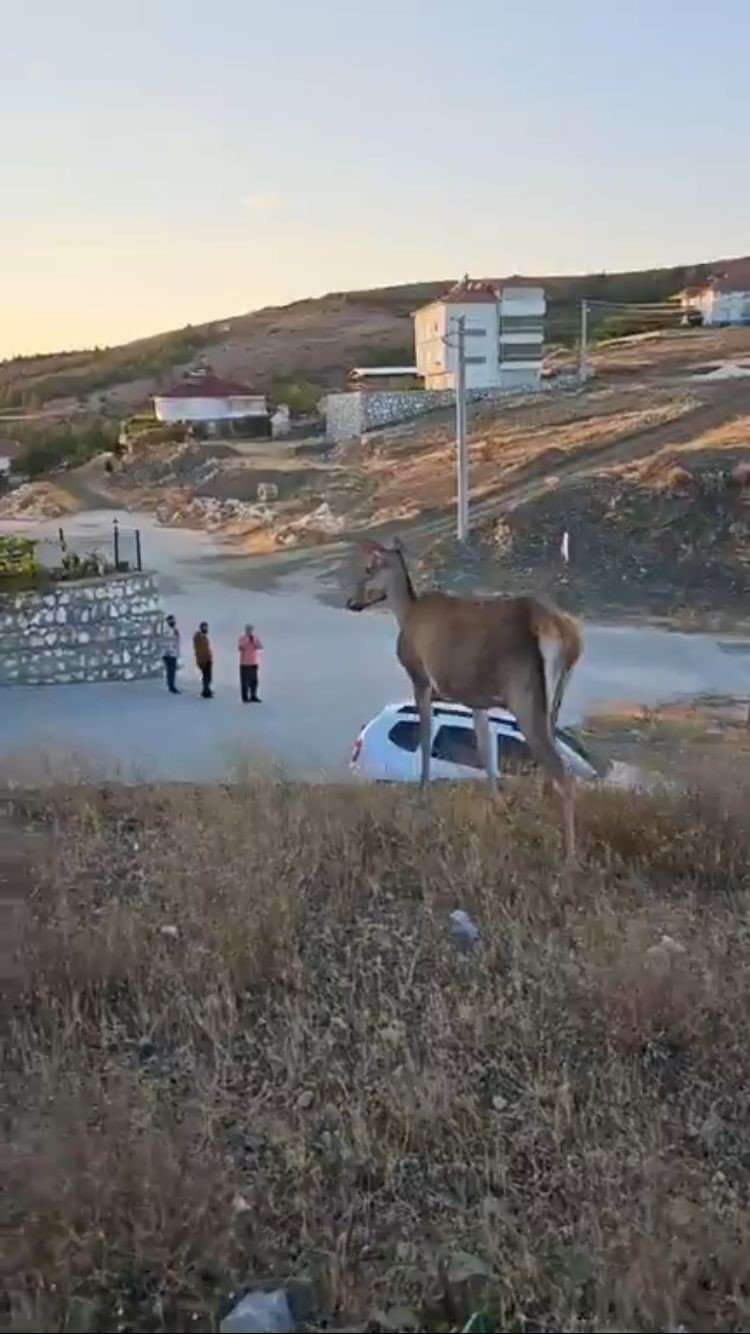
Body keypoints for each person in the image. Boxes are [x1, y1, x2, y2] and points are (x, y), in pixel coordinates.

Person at [238, 623, 263, 702]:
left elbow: (260, 646)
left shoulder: (255, 638)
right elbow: (240, 647)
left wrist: (254, 641)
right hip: (244, 663)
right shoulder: (242, 638)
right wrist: (248, 640)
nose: (249, 631)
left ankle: (253, 695)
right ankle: (245, 697)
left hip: (253, 663)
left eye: (251, 630)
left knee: (254, 681)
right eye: (248, 629)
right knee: (245, 682)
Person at [193, 621, 213, 698]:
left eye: (206, 627)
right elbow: (200, 649)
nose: (206, 629)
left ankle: (207, 689)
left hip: (207, 659)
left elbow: (206, 648)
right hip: (203, 660)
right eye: (204, 627)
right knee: (206, 676)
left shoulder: (204, 637)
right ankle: (205, 691)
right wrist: (204, 658)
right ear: (201, 628)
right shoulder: (198, 637)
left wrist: (209, 656)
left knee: (208, 676)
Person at [163, 613, 181, 695]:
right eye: (171, 620)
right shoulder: (168, 630)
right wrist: (169, 652)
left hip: (173, 653)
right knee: (171, 671)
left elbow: (177, 641)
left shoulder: (174, 629)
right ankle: (171, 687)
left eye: (173, 620)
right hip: (169, 654)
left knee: (172, 671)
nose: (173, 622)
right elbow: (167, 642)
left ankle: (172, 685)